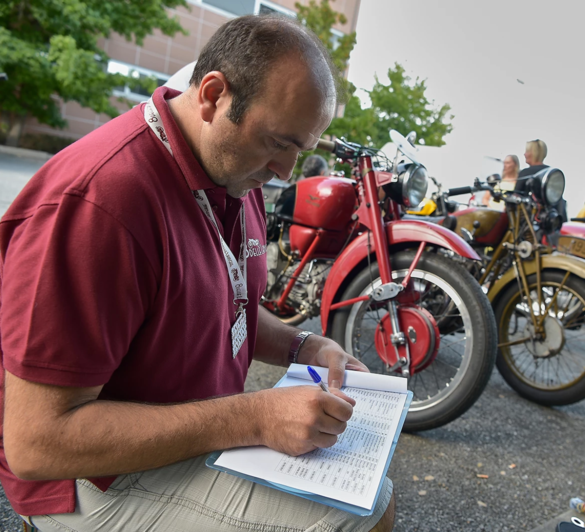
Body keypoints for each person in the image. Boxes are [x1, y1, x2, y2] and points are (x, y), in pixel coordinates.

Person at [0, 15, 395, 532]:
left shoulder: (233, 169)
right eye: (278, 142)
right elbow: (36, 442)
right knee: (362, 513)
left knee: (368, 486)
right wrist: (253, 417)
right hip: (90, 479)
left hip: (184, 434)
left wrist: (304, 347)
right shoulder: (99, 205)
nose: (286, 173)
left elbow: (224, 304)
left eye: (302, 150)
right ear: (212, 96)